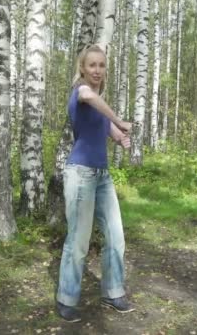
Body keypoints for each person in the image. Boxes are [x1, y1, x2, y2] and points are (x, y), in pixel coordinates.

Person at [55, 44, 135, 323]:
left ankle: (113, 292)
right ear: (83, 68)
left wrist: (122, 137)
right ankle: (66, 298)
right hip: (80, 174)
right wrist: (119, 119)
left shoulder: (99, 105)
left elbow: (113, 134)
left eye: (101, 65)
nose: (97, 70)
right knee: (78, 241)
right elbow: (96, 102)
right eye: (92, 65)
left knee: (116, 236)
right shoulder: (81, 92)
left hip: (102, 176)